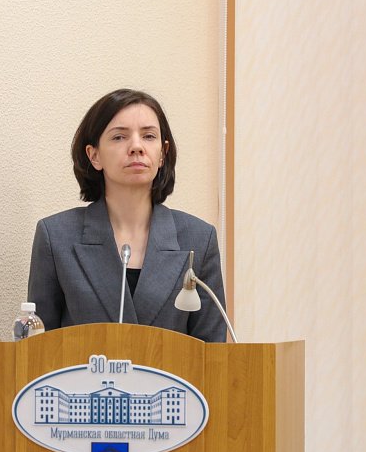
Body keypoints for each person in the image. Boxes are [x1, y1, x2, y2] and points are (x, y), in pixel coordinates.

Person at [27, 88, 227, 342]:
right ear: (94, 155)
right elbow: (37, 351)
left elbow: (213, 353)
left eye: (149, 136)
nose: (136, 147)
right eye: (119, 137)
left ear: (163, 153)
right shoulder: (56, 237)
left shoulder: (198, 239)